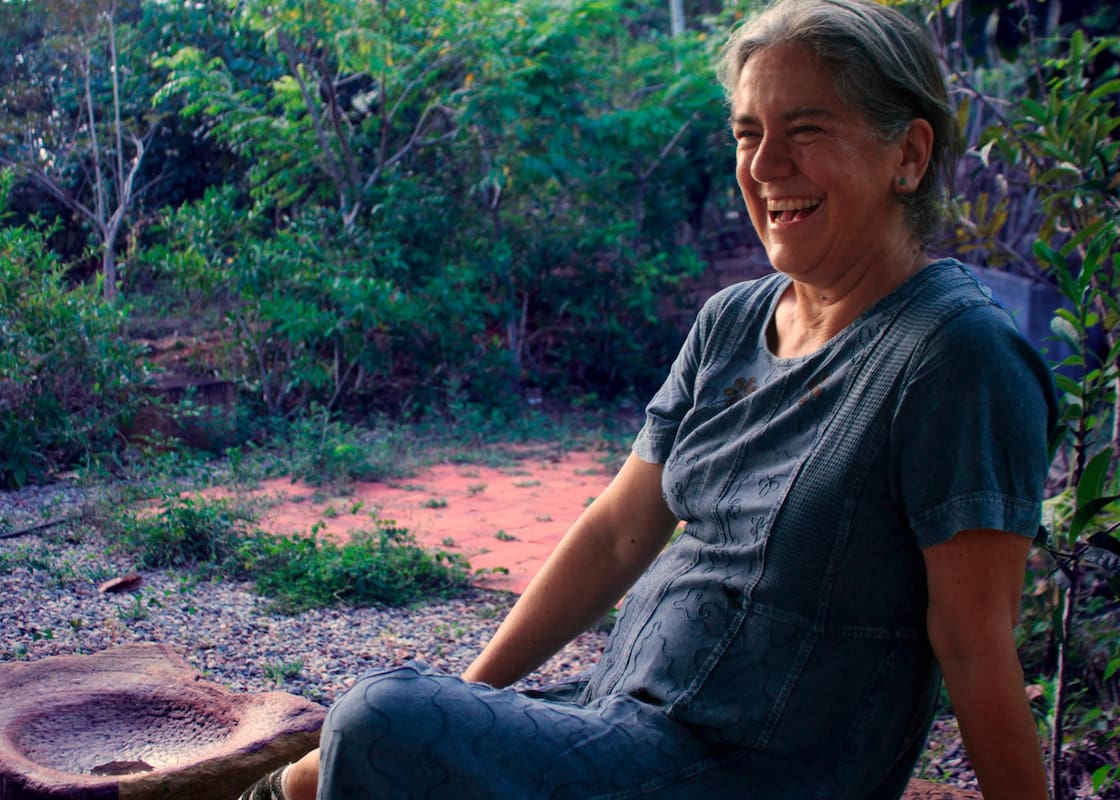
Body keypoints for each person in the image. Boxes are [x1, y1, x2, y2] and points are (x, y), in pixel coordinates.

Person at [240, 0, 1055, 797]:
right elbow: (618, 534)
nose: (766, 165)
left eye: (806, 131)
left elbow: (975, 640)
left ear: (907, 155)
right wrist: (471, 705)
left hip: (750, 770)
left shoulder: (955, 354)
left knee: (377, 717)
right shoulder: (733, 320)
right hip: (625, 724)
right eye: (748, 134)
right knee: (375, 739)